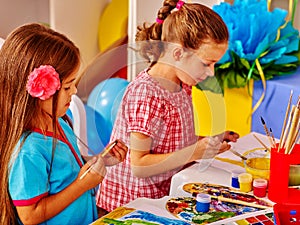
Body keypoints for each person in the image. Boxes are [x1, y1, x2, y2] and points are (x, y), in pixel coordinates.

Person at [96, 0, 239, 213]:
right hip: (127, 208)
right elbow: (139, 165)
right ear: (178, 54)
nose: (211, 73)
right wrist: (195, 152)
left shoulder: (183, 84)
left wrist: (208, 141)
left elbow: (170, 141)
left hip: (160, 198)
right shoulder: (147, 95)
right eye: (206, 63)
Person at [0, 23, 128, 225]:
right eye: (68, 87)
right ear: (40, 92)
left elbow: (65, 171)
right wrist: (82, 185)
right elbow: (29, 215)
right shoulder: (29, 151)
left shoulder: (59, 122)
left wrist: (101, 160)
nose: (75, 92)